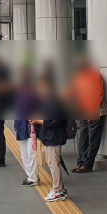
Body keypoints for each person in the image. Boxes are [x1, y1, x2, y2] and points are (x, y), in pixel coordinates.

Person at [67, 54, 107, 173]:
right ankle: (81, 162)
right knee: (83, 138)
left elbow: (99, 94)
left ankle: (88, 164)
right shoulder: (77, 76)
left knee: (93, 139)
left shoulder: (95, 75)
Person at [32, 69, 68, 202]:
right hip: (50, 136)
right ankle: (60, 189)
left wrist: (38, 120)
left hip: (54, 136)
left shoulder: (53, 101)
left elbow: (53, 121)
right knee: (53, 163)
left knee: (53, 164)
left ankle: (58, 190)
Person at [13, 67, 40, 186]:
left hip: (31, 124)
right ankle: (29, 175)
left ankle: (34, 177)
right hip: (20, 123)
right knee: (24, 151)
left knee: (31, 151)